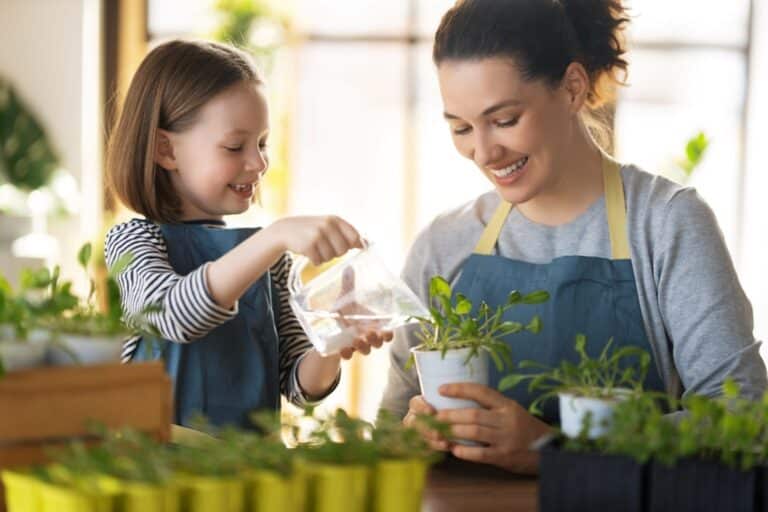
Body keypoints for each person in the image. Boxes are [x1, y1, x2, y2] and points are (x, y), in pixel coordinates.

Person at [380, 0, 766, 473]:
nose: (483, 151)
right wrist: (411, 438)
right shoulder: (445, 244)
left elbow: (743, 418)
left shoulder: (665, 224)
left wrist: (558, 448)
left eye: (504, 120)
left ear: (572, 89)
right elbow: (389, 429)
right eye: (461, 127)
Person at [105, 39, 391, 429]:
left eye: (262, 143)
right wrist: (272, 239)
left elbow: (297, 385)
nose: (258, 163)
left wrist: (335, 339)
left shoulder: (267, 257)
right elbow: (172, 315)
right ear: (165, 150)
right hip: (158, 470)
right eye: (235, 146)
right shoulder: (132, 241)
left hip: (247, 470)